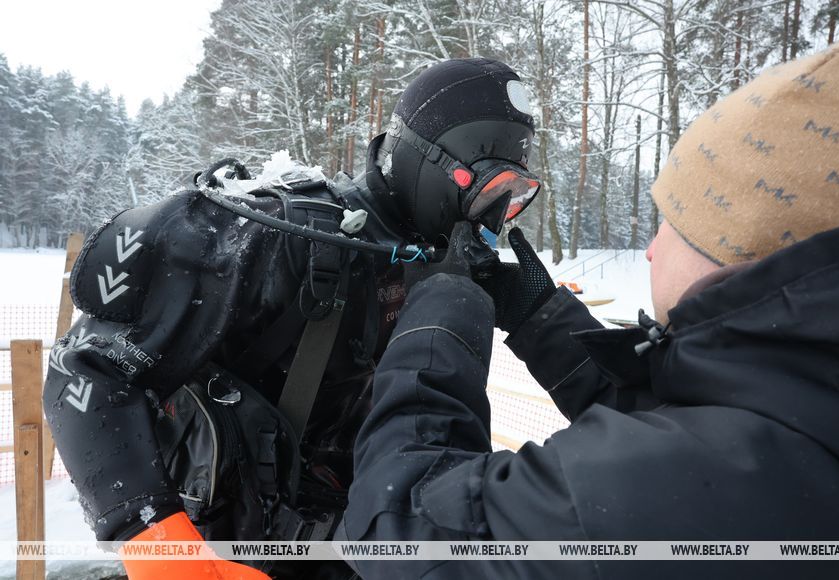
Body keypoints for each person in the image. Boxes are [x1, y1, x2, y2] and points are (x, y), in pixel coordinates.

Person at [339, 32, 839, 578]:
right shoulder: (812, 412)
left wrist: (442, 311)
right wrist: (538, 312)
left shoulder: (684, 487)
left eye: (674, 223)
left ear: (745, 251)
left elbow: (402, 528)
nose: (651, 247)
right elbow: (662, 414)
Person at [42, 58, 542, 579]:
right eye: (490, 189)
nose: (494, 217)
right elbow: (81, 369)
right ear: (432, 163)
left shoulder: (437, 268)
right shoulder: (279, 237)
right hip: (233, 553)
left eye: (514, 197)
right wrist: (157, 543)